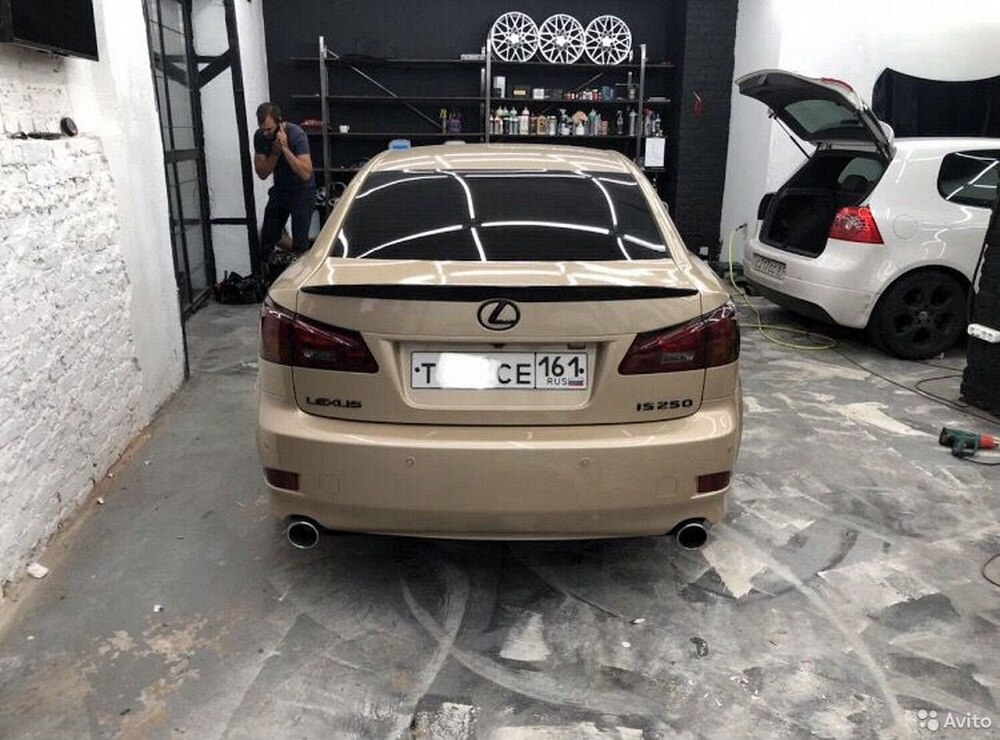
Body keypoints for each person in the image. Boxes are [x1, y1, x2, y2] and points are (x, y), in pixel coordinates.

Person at [253, 102, 315, 256]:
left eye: (269, 129)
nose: (265, 133)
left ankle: (304, 254)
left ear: (279, 122)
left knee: (300, 242)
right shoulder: (260, 137)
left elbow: (305, 174)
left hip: (302, 190)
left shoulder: (296, 134)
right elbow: (262, 173)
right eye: (262, 129)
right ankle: (303, 254)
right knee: (269, 236)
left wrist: (285, 149)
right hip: (281, 188)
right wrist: (275, 153)